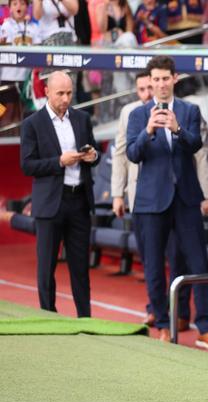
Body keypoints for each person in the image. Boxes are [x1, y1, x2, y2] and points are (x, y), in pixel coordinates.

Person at [126, 55, 208, 350]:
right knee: (154, 265)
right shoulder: (136, 114)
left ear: (174, 79)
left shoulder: (189, 110)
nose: (160, 84)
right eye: (155, 80)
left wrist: (177, 129)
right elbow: (133, 154)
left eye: (165, 79)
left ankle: (205, 326)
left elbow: (196, 145)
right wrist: (149, 131)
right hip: (150, 200)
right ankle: (162, 324)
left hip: (185, 197)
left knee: (199, 263)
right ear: (151, 82)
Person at [19, 70, 100, 317]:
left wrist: (92, 156)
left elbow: (94, 154)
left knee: (80, 267)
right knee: (46, 267)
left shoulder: (82, 119)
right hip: (50, 202)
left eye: (69, 93)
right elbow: (28, 165)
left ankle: (85, 317)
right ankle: (48, 316)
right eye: (60, 94)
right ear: (47, 93)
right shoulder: (32, 123)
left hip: (79, 201)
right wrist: (59, 161)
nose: (65, 99)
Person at [0, 0, 41, 129]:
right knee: (5, 112)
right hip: (7, 78)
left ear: (28, 8)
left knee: (22, 114)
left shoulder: (34, 28)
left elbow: (39, 50)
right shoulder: (5, 26)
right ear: (9, 8)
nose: (19, 7)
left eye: (23, 4)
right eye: (15, 4)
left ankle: (19, 142)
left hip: (26, 80)